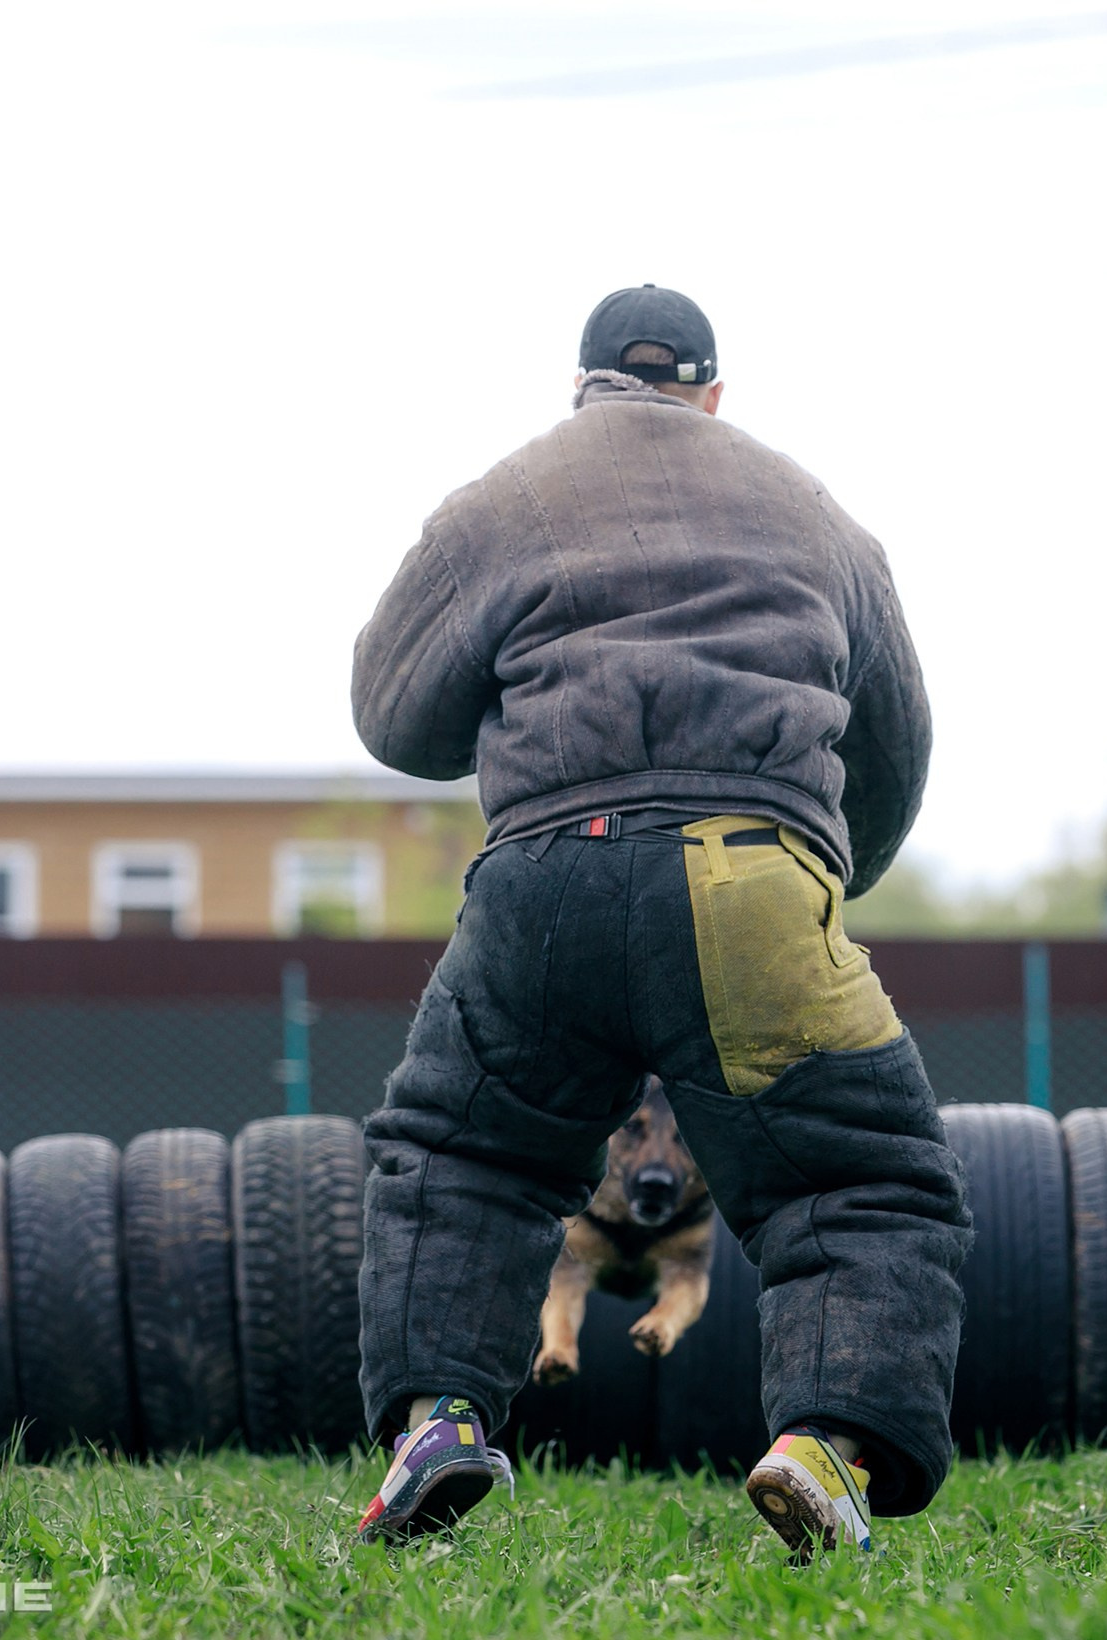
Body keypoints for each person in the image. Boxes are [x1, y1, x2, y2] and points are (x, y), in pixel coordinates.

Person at [348, 284, 971, 1562]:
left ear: (582, 389)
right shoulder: (822, 518)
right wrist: (819, 887)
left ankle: (441, 1421)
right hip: (753, 873)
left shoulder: (496, 504)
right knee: (861, 1179)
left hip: (540, 879)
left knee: (464, 1158)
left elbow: (394, 723)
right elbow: (896, 756)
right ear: (712, 395)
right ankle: (823, 1449)